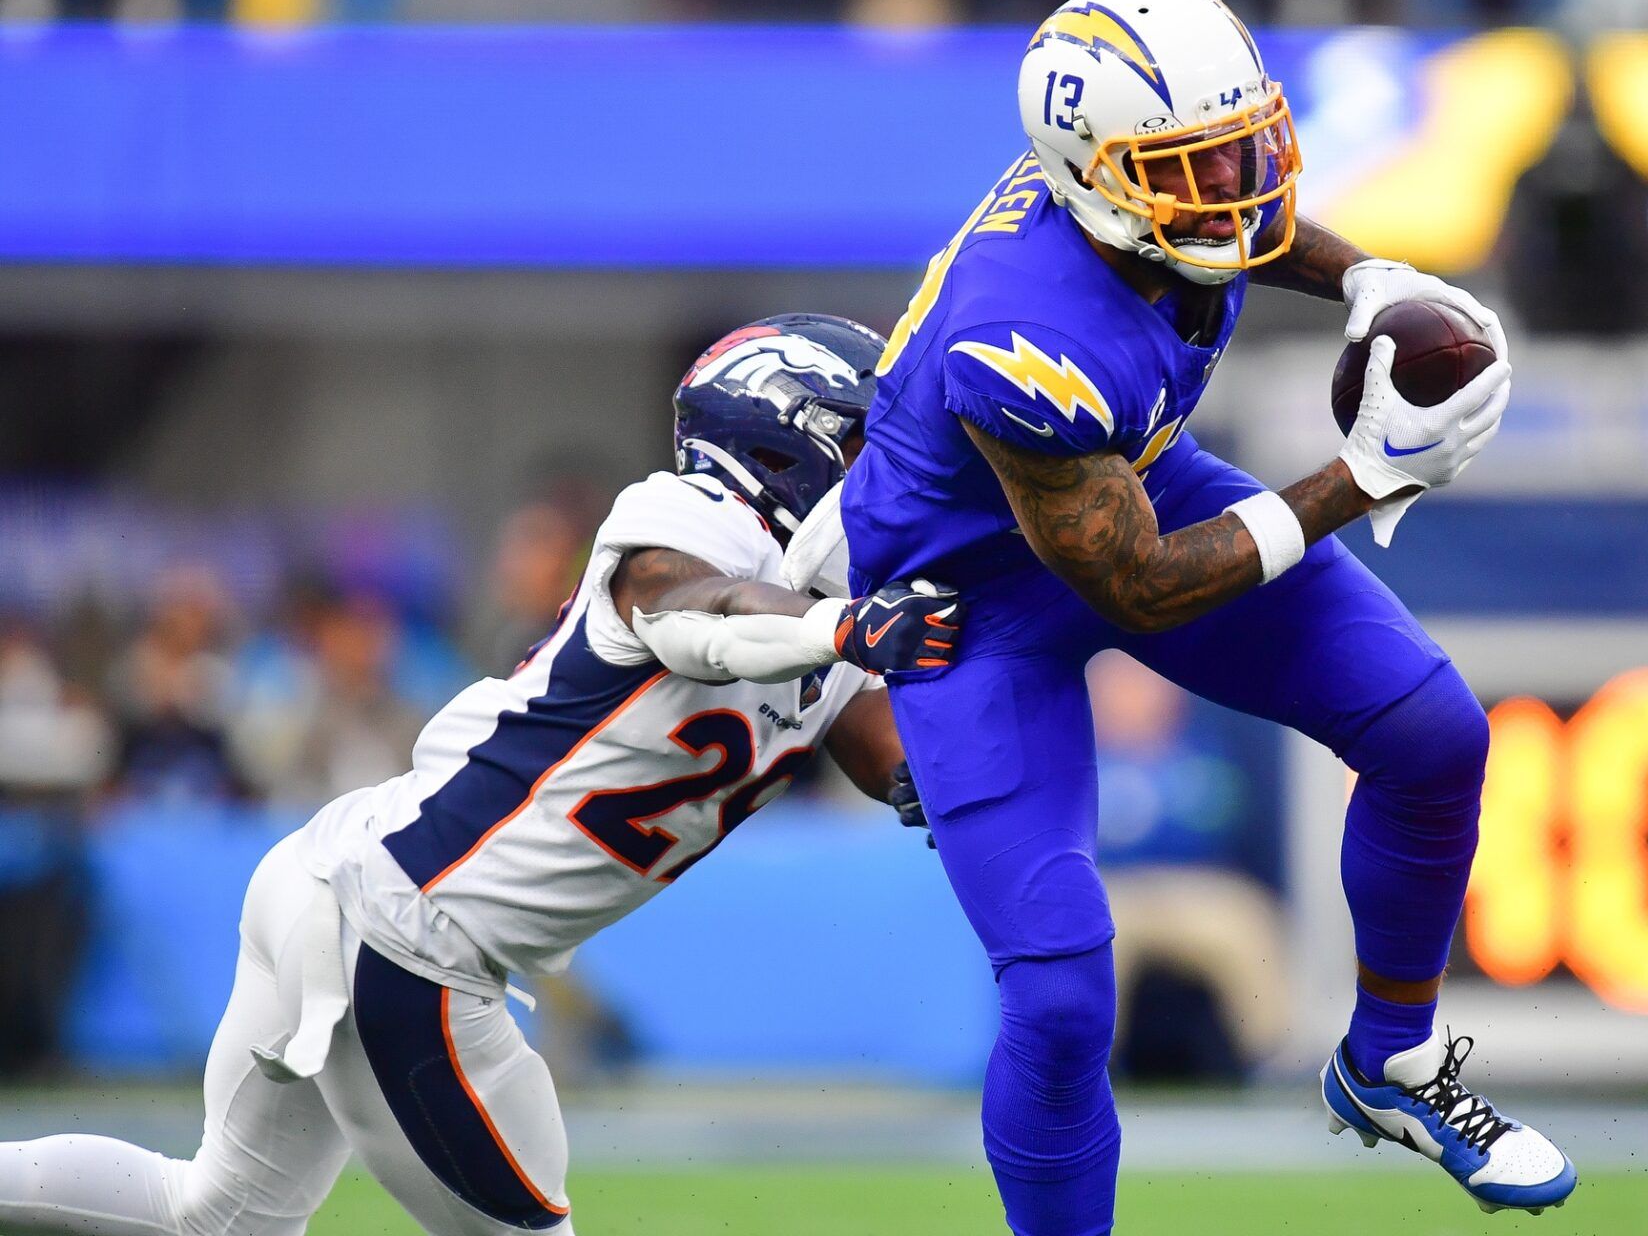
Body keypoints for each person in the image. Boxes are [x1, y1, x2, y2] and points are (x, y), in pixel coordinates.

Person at [840, 0, 1571, 1234]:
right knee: (1064, 1001)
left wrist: (1376, 280)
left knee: (1436, 733)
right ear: (1097, 182)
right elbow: (1140, 587)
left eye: (1240, 144)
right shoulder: (1024, 332)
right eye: (1192, 164)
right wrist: (1369, 474)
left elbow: (1251, 219)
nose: (1236, 182)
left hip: (1131, 485)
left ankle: (1392, 1058)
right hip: (971, 602)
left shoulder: (1154, 203)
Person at [0, 313, 963, 1236]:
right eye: (866, 443)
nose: (886, 473)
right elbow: (699, 611)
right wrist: (842, 628)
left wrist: (962, 766)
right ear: (786, 444)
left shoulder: (828, 619)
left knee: (217, 1215)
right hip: (413, 932)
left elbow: (893, 752)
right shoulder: (688, 519)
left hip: (354, 881)